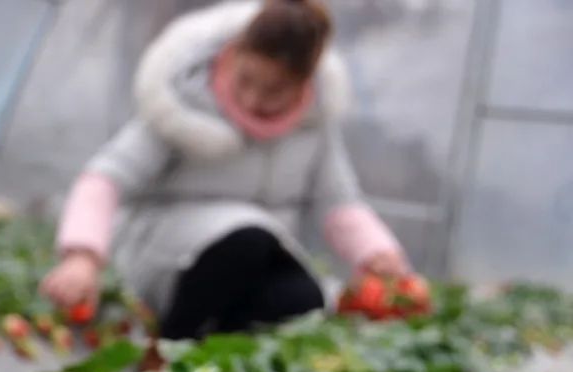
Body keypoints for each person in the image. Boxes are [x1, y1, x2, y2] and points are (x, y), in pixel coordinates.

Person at [40, 0, 413, 339]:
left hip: (257, 255)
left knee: (303, 299)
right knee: (246, 240)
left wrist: (377, 253)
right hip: (168, 257)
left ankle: (212, 365)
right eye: (246, 79)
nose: (253, 99)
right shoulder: (183, 103)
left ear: (305, 84)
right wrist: (82, 257)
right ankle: (169, 348)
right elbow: (105, 179)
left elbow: (339, 202)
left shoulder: (313, 127)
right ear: (232, 54)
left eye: (274, 89)